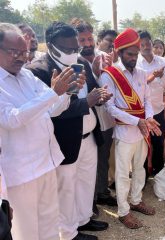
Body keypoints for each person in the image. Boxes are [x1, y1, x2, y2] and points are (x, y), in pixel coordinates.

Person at [27, 21, 110, 240]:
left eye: (77, 48)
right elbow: (47, 110)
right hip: (64, 140)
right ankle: (69, 233)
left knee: (85, 183)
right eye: (69, 49)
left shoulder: (81, 62)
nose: (74, 53)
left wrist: (99, 97)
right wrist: (87, 103)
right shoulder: (39, 71)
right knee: (65, 190)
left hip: (89, 136)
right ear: (51, 45)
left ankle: (83, 219)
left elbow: (92, 91)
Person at [0, 23, 80, 240]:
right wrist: (53, 93)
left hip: (46, 163)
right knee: (27, 233)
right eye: (13, 52)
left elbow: (53, 109)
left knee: (49, 227)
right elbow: (12, 118)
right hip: (21, 173)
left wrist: (66, 93)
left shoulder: (26, 76)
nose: (21, 57)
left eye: (24, 52)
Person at [100, 28, 162, 229]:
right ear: (119, 53)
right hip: (125, 132)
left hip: (142, 132)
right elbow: (110, 108)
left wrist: (150, 118)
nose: (134, 58)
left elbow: (146, 101)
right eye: (130, 54)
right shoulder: (109, 75)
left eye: (136, 54)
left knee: (139, 170)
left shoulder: (143, 74)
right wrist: (138, 121)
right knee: (122, 174)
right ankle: (123, 211)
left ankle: (136, 200)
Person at [70, 18, 118, 217]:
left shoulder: (104, 57)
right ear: (75, 41)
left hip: (104, 116)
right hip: (81, 121)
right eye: (82, 40)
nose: (87, 44)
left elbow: (108, 84)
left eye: (89, 39)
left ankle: (101, 192)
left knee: (102, 157)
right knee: (81, 165)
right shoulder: (72, 61)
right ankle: (87, 203)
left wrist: (102, 72)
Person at [136, 30, 165, 175]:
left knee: (158, 144)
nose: (146, 47)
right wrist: (153, 77)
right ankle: (144, 174)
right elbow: (136, 87)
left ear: (152, 44)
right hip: (142, 113)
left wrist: (162, 75)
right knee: (143, 145)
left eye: (148, 43)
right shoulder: (136, 63)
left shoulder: (163, 62)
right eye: (142, 44)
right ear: (138, 46)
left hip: (158, 111)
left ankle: (158, 173)